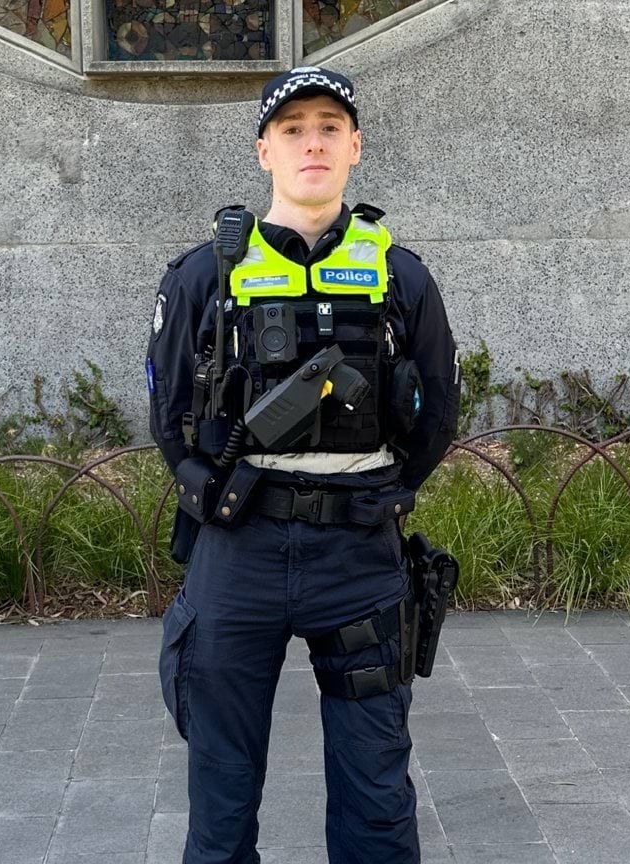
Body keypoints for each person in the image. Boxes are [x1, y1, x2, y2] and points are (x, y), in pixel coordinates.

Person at [145, 65, 461, 863]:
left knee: (377, 800)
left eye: (328, 127)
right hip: (237, 554)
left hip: (359, 558)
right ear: (263, 151)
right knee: (219, 802)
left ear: (355, 146)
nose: (311, 142)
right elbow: (166, 413)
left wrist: (374, 497)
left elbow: (437, 420)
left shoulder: (402, 276)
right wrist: (206, 481)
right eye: (292, 129)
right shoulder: (203, 276)